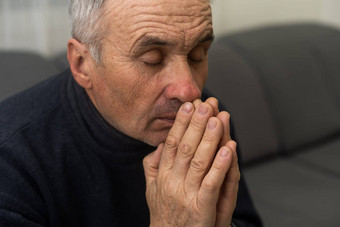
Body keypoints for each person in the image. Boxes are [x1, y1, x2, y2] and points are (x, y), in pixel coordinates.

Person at [0, 0, 262, 226]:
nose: (189, 91)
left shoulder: (206, 121)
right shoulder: (11, 164)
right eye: (152, 59)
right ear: (82, 65)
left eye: (197, 55)